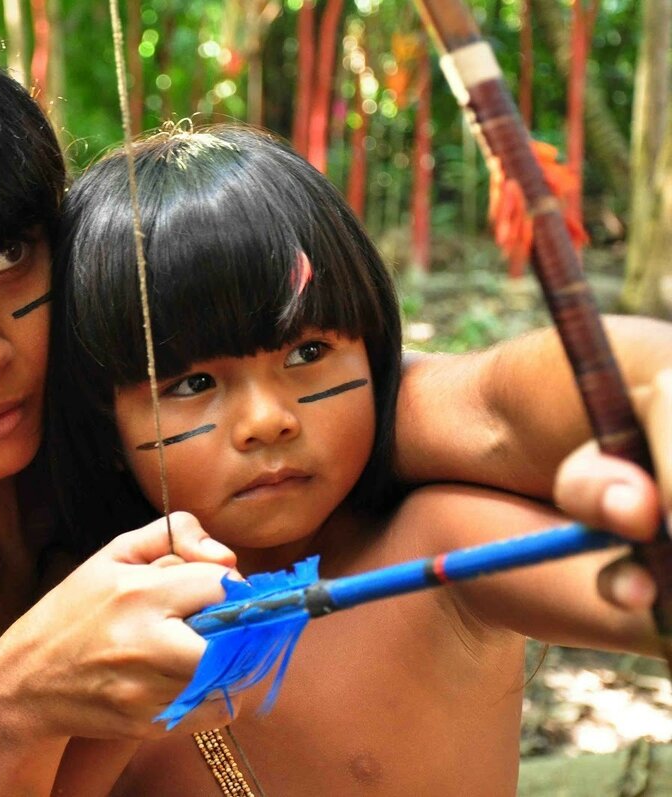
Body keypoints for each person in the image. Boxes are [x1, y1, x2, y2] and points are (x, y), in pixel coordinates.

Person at [0, 6, 669, 795]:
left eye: (10, 258)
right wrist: (10, 707)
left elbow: (485, 402)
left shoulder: (143, 367)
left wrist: (655, 385)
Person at [47, 125, 667, 794]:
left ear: (375, 356)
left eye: (307, 354)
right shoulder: (84, 622)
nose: (267, 421)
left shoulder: (436, 545)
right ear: (105, 427)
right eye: (193, 384)